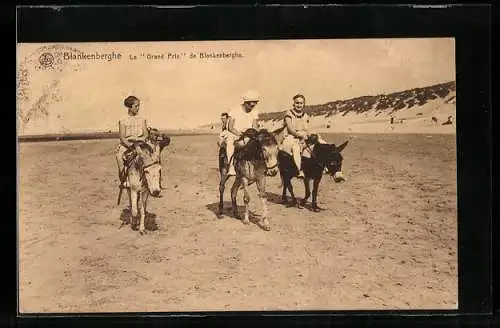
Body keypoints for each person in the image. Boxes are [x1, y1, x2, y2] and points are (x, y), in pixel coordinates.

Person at [281, 94, 334, 179]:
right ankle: (300, 170)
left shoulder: (305, 115)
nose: (299, 105)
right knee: (296, 148)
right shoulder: (288, 114)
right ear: (294, 104)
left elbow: (308, 128)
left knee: (323, 144)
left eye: (301, 103)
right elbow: (290, 129)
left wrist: (312, 135)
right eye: (297, 103)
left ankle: (327, 166)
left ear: (304, 104)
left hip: (304, 135)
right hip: (292, 136)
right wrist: (300, 136)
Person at [115, 95, 149, 188]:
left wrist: (141, 141)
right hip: (127, 144)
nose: (138, 108)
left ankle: (153, 180)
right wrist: (131, 146)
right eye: (136, 106)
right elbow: (122, 137)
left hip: (141, 143)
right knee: (119, 156)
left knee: (152, 157)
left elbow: (146, 134)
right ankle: (124, 180)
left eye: (139, 106)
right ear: (129, 107)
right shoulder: (123, 120)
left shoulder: (142, 118)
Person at [225, 90, 261, 176]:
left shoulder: (255, 112)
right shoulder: (235, 110)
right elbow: (230, 127)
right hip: (235, 133)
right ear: (245, 102)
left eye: (254, 103)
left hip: (248, 134)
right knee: (230, 141)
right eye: (249, 103)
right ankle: (231, 167)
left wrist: (252, 134)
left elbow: (255, 127)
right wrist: (240, 134)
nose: (252, 105)